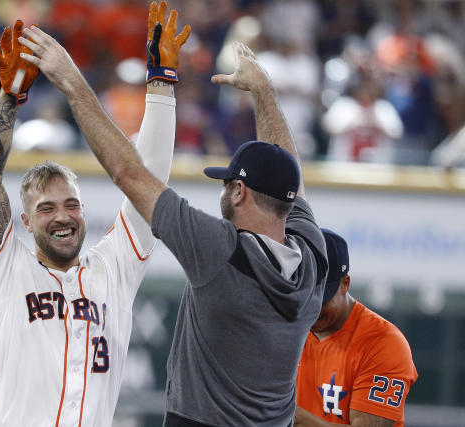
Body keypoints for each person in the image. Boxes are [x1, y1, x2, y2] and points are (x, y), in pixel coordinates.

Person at [19, 17, 328, 427]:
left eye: (227, 183)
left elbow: (130, 175)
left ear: (239, 193)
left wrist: (73, 83)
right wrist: (265, 93)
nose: (224, 191)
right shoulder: (313, 255)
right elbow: (289, 173)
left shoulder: (222, 250)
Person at [0, 4, 188, 425]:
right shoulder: (3, 268)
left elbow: (150, 181)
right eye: (46, 208)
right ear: (26, 222)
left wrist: (162, 85)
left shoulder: (114, 268)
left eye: (70, 205)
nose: (62, 216)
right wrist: (10, 97)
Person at [295, 229, 418, 427]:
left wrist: (291, 415)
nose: (312, 307)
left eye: (322, 299)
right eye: (305, 296)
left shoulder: (383, 343)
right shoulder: (285, 327)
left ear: (345, 284)